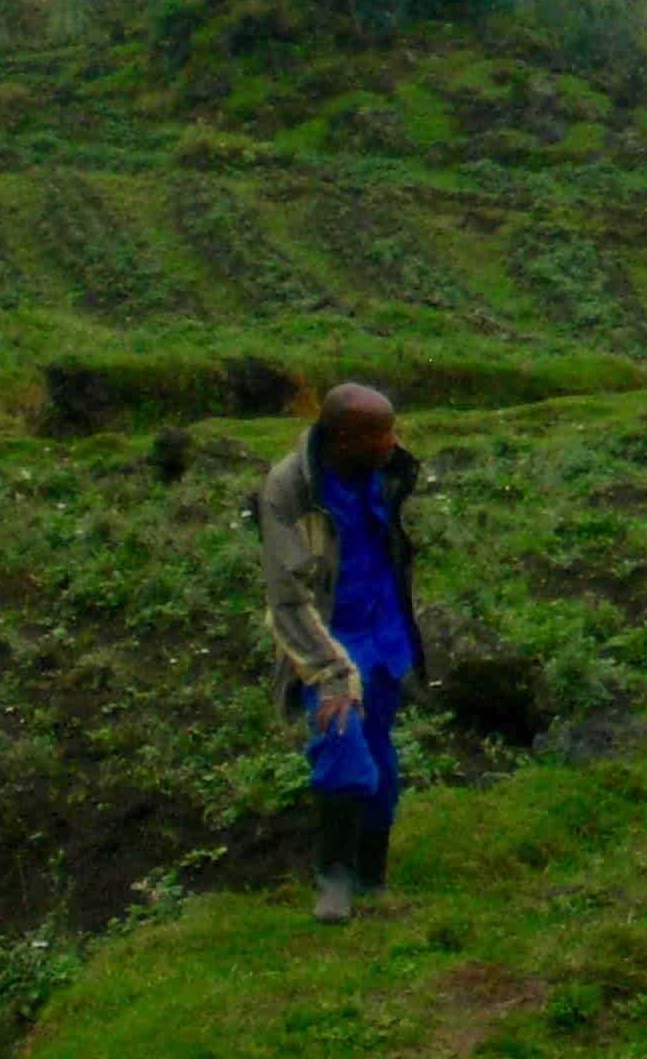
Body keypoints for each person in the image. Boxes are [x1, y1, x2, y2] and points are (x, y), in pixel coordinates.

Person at [254, 380, 423, 925]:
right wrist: (328, 671)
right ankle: (334, 876)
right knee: (341, 738)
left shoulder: (388, 468)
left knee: (380, 756)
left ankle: (372, 874)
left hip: (385, 630)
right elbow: (286, 596)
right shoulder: (288, 490)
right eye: (379, 434)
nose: (392, 442)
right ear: (343, 438)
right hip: (327, 636)